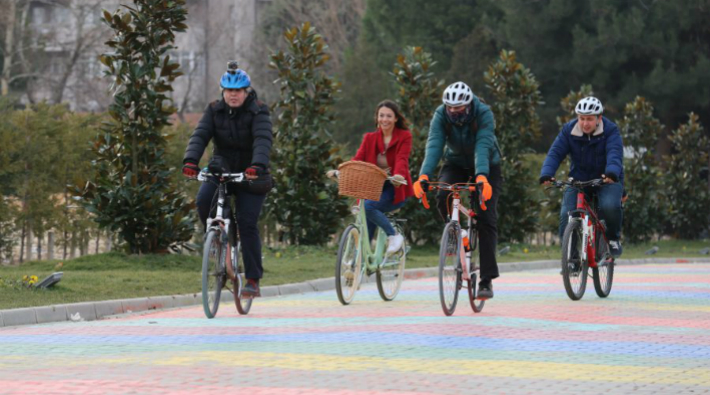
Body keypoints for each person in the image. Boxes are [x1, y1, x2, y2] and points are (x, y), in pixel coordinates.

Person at [181, 61, 273, 297]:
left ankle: (252, 279)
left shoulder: (259, 111)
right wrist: (190, 161)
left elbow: (263, 140)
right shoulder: (214, 110)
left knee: (247, 222)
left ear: (246, 92)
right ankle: (222, 241)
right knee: (203, 203)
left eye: (238, 91)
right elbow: (200, 134)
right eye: (229, 91)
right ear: (223, 92)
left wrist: (257, 165)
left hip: (250, 174)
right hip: (221, 169)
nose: (233, 95)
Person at [413, 82, 502, 299]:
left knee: (485, 218)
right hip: (455, 163)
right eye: (450, 107)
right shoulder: (441, 114)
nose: (453, 111)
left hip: (487, 165)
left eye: (458, 108)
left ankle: (486, 280)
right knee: (443, 193)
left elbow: (483, 144)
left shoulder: (483, 113)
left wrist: (482, 176)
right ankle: (453, 233)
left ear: (468, 104)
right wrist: (424, 175)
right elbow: (434, 143)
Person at [539, 96, 624, 257]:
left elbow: (614, 154)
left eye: (589, 119)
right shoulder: (569, 130)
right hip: (579, 180)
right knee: (566, 214)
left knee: (609, 207)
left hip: (607, 178)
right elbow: (555, 153)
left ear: (599, 118)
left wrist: (612, 172)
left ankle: (613, 238)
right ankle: (571, 258)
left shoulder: (611, 130)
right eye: (582, 118)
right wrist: (547, 173)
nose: (585, 123)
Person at [331, 100, 414, 254]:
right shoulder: (369, 138)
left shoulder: (404, 136)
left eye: (389, 116)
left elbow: (402, 159)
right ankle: (358, 264)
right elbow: (358, 159)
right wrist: (342, 170)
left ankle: (393, 235)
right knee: (366, 220)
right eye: (381, 115)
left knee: (369, 207)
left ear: (396, 118)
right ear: (376, 117)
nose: (385, 119)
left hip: (394, 188)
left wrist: (398, 176)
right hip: (372, 187)